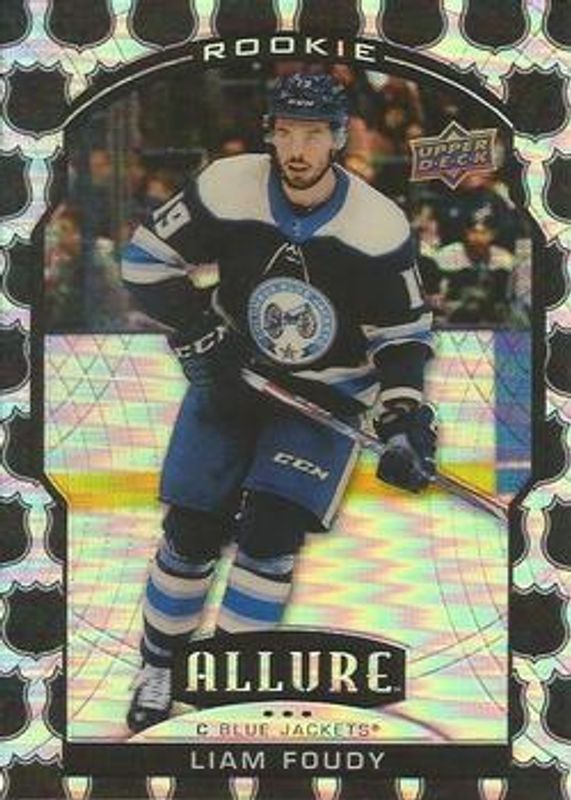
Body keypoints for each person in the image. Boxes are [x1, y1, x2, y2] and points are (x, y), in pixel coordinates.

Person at [121, 72, 436, 733]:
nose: (297, 149)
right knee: (190, 532)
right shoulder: (226, 186)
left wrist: (405, 420)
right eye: (286, 131)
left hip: (326, 395)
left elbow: (402, 337)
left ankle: (226, 677)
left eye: (314, 134)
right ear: (269, 132)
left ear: (339, 138)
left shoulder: (376, 224)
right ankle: (159, 666)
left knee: (269, 535)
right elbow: (145, 263)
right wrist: (200, 329)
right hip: (232, 376)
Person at [436, 218, 515, 324]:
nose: (478, 238)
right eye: (473, 232)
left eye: (484, 233)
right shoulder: (448, 254)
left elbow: (508, 298)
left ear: (493, 234)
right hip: (452, 317)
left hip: (491, 318)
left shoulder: (504, 258)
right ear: (466, 233)